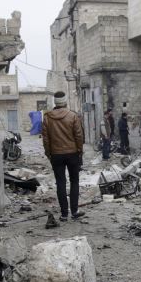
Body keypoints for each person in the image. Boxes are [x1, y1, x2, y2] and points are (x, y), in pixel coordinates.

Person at [42, 91, 85, 221]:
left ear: (55, 102)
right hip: (72, 153)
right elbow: (79, 136)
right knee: (74, 181)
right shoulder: (72, 116)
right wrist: (80, 151)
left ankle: (64, 214)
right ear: (65, 102)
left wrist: (49, 154)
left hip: (56, 155)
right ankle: (74, 211)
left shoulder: (47, 117)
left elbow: (46, 139)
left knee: (60, 183)